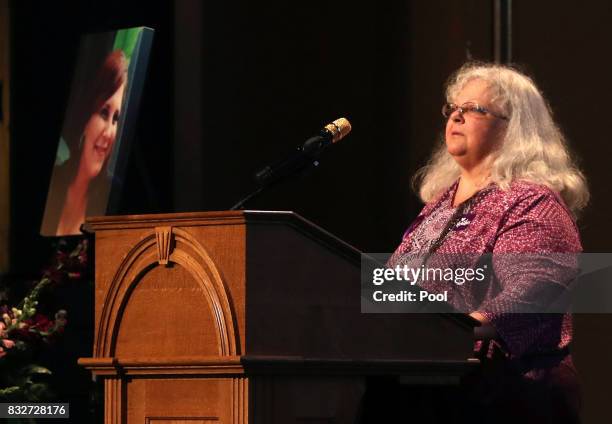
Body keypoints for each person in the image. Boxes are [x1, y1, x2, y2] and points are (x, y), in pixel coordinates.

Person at [388, 62, 588, 423]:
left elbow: (531, 290)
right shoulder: (438, 205)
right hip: (423, 387)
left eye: (475, 109)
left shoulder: (531, 201)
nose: (457, 117)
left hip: (502, 396)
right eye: (453, 108)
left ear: (515, 129)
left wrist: (450, 329)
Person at [54, 49, 128, 236]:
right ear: (86, 115)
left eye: (116, 118)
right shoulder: (55, 179)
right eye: (104, 112)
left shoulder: (115, 196)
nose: (110, 132)